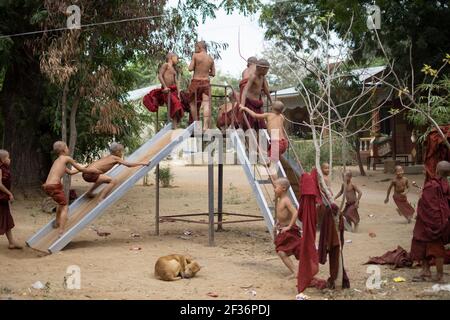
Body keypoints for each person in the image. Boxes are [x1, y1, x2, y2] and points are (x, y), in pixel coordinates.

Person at [43, 141, 99, 236]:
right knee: (65, 207)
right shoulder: (67, 158)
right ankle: (61, 231)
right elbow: (81, 170)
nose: (68, 149)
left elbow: (70, 172)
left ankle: (57, 222)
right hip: (55, 186)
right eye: (67, 147)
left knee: (60, 203)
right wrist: (92, 170)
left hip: (47, 186)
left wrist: (85, 166)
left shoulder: (58, 161)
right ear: (64, 149)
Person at [410, 160, 450, 283]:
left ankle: (439, 275)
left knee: (433, 247)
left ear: (437, 171)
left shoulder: (431, 185)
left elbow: (427, 204)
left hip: (428, 221)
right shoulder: (446, 185)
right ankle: (426, 271)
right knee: (427, 245)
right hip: (441, 221)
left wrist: (421, 199)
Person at [83, 142, 149, 201]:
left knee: (101, 179)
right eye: (121, 152)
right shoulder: (115, 158)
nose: (122, 153)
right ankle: (101, 198)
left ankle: (89, 193)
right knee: (113, 181)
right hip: (91, 174)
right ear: (117, 152)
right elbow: (129, 165)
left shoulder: (109, 157)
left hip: (86, 173)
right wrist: (142, 163)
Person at [240, 101, 287, 181]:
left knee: (272, 167)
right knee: (268, 159)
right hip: (284, 142)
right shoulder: (282, 117)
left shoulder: (268, 115)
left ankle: (276, 184)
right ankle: (272, 176)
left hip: (276, 142)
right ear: (281, 111)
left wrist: (245, 108)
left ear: (271, 108)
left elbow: (255, 115)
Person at [144, 52, 184, 129]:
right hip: (166, 91)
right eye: (176, 57)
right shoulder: (166, 65)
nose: (178, 59)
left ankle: (174, 126)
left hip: (173, 91)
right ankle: (172, 125)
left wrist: (178, 93)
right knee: (175, 103)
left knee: (179, 105)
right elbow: (160, 76)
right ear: (171, 57)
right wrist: (165, 87)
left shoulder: (174, 70)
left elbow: (176, 82)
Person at [273, 178, 301, 278]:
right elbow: (281, 215)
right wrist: (277, 223)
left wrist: (289, 226)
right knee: (281, 251)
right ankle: (295, 271)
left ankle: (297, 271)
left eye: (276, 187)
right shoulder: (280, 200)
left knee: (286, 251)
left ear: (283, 188)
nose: (274, 189)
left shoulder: (286, 200)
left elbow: (295, 212)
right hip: (283, 229)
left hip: (290, 230)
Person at [188, 40, 215, 130]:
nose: (195, 49)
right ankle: (205, 126)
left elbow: (190, 68)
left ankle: (197, 124)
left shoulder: (195, 56)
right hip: (206, 82)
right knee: (206, 103)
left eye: (196, 47)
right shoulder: (210, 59)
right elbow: (213, 73)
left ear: (200, 47)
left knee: (192, 103)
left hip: (196, 81)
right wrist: (206, 72)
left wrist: (197, 68)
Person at [240, 59, 272, 130]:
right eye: (267, 70)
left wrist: (272, 102)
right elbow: (245, 90)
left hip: (258, 104)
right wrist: (242, 105)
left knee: (260, 125)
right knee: (250, 125)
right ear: (262, 69)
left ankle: (259, 139)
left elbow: (266, 90)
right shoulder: (253, 76)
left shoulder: (262, 77)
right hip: (250, 103)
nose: (267, 72)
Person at [0, 150, 22, 249]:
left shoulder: (4, 168)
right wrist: (9, 193)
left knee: (6, 218)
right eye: (8, 157)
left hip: (2, 198)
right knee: (3, 218)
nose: (10, 159)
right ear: (3, 159)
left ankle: (11, 242)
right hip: (0, 197)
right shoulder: (0, 169)